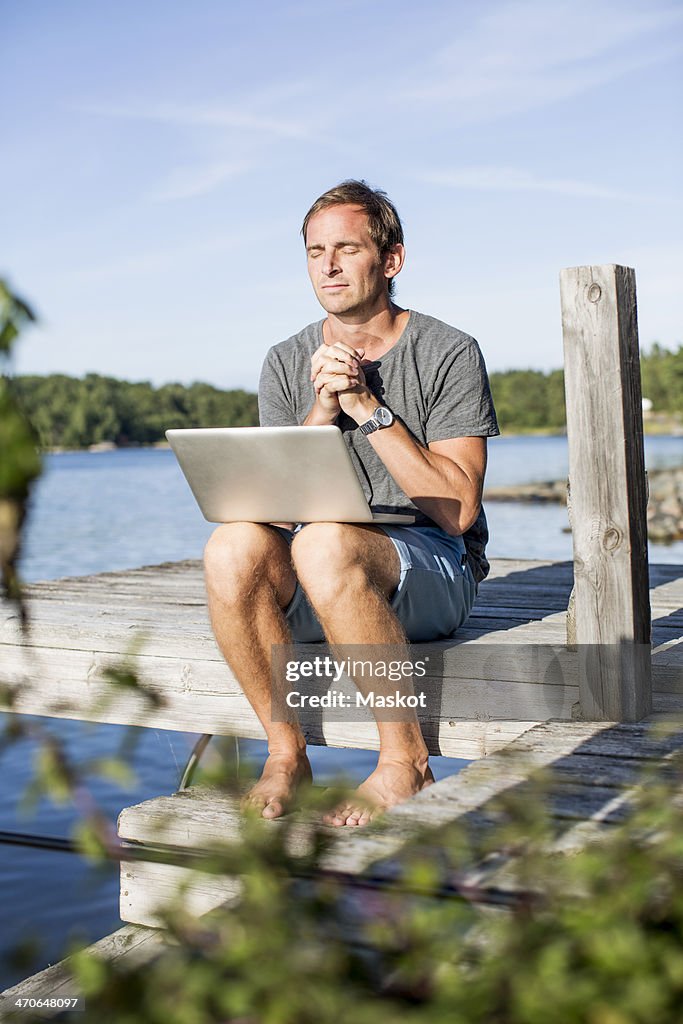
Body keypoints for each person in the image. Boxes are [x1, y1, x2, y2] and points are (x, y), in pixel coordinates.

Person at [204, 179, 499, 827]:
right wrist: (323, 407)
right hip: (321, 569)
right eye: (314, 252)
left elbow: (457, 512)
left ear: (389, 260)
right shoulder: (286, 359)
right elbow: (276, 513)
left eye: (346, 248)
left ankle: (404, 761)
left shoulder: (448, 351)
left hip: (432, 565)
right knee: (232, 544)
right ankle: (286, 752)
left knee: (324, 539)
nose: (328, 265)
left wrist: (368, 407)